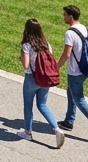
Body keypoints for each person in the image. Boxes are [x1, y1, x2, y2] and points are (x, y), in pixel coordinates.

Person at [57, 5, 88, 144]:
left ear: (70, 16)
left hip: (75, 71)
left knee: (79, 99)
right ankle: (69, 121)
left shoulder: (70, 33)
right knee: (70, 93)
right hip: (85, 69)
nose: (63, 17)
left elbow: (66, 54)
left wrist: (55, 67)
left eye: (65, 15)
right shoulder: (85, 29)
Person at [17, 18, 65, 147]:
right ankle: (57, 129)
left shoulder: (27, 45)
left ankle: (28, 132)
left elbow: (26, 65)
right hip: (44, 79)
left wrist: (22, 55)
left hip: (31, 79)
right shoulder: (46, 45)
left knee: (28, 106)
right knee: (42, 105)